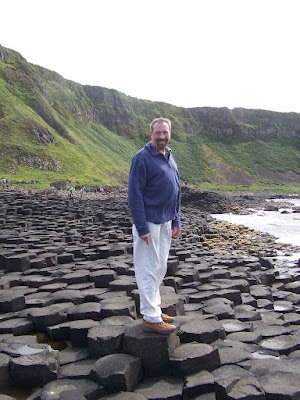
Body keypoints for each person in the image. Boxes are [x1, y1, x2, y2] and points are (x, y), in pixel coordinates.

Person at [128, 117, 181, 335]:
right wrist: (142, 227)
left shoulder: (169, 156)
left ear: (169, 134)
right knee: (147, 268)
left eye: (165, 133)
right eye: (157, 133)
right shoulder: (142, 158)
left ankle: (155, 310)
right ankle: (150, 317)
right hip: (149, 222)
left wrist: (176, 218)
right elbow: (134, 194)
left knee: (160, 267)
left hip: (166, 220)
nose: (161, 137)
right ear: (151, 134)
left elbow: (176, 188)